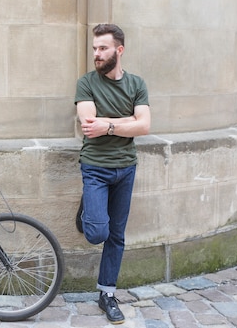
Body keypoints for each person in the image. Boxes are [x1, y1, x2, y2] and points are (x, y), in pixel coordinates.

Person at [74, 23, 150, 324]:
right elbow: (90, 126)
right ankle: (88, 214)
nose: (96, 53)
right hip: (95, 167)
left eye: (102, 48)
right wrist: (125, 121)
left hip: (126, 168)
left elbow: (145, 126)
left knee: (116, 236)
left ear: (119, 50)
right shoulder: (86, 83)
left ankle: (107, 294)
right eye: (94, 48)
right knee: (97, 233)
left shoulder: (137, 84)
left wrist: (108, 125)